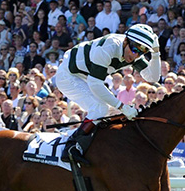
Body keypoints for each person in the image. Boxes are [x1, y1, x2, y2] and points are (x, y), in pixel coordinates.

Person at [56, 24, 161, 164]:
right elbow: (95, 84)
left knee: (113, 113)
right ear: (125, 41)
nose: (135, 55)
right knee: (101, 108)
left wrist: (155, 53)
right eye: (135, 48)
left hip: (86, 77)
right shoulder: (109, 47)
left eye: (142, 52)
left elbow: (152, 78)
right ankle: (72, 147)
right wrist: (122, 106)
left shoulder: (132, 52)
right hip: (69, 76)